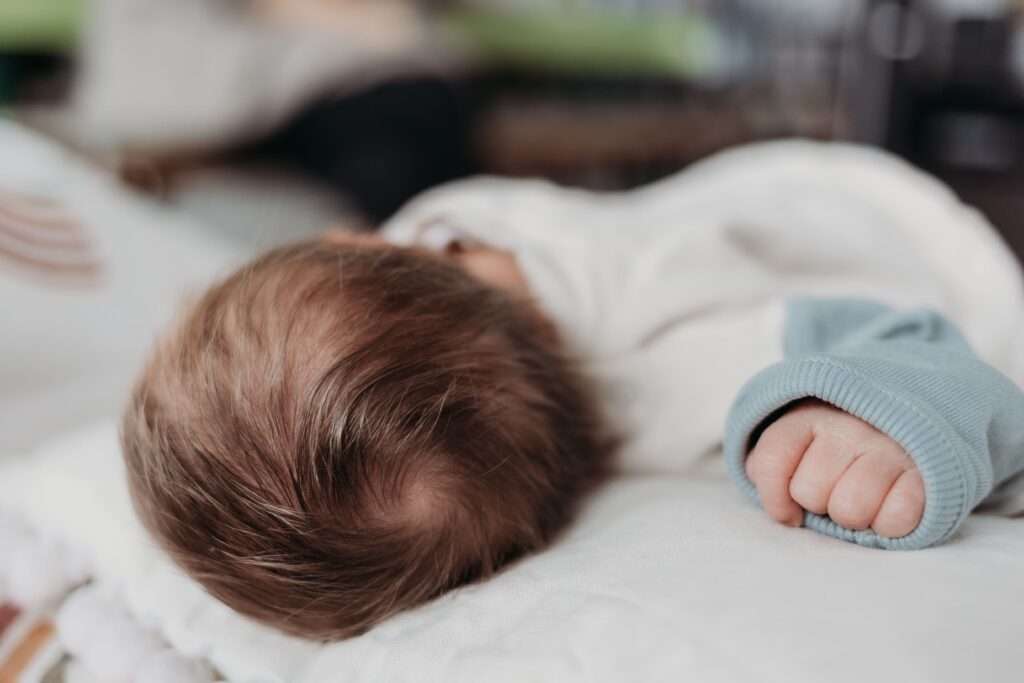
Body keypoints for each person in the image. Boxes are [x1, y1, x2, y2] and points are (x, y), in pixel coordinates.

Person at [121, 141, 1024, 641]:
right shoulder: (672, 353)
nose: (354, 232)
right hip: (918, 259)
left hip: (826, 208)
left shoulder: (411, 267)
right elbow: (910, 344)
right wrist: (873, 423)